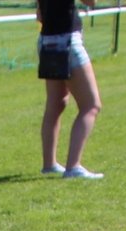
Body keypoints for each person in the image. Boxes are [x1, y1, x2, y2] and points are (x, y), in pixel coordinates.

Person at [37, 0, 104, 178]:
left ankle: (49, 164)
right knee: (91, 106)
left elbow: (40, 15)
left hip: (46, 40)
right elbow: (91, 2)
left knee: (56, 104)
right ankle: (73, 167)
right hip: (67, 42)